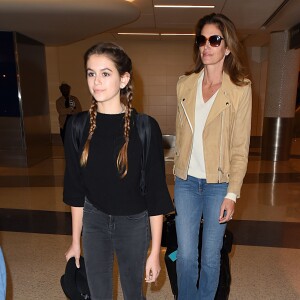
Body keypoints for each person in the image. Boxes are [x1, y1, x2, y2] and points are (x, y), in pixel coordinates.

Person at [63, 42, 173, 300]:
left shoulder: (145, 127)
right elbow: (76, 190)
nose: (96, 81)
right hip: (94, 220)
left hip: (133, 222)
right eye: (91, 73)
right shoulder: (77, 127)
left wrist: (155, 251)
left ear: (124, 79)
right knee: (99, 294)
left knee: (134, 293)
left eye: (105, 73)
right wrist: (75, 241)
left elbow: (156, 193)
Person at [174, 13, 252, 299]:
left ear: (227, 47)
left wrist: (232, 194)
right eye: (201, 40)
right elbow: (181, 135)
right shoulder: (185, 84)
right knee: (185, 257)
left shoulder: (240, 90)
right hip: (186, 183)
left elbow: (240, 148)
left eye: (214, 40)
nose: (206, 46)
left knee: (209, 257)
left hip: (218, 185)